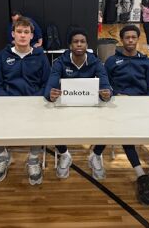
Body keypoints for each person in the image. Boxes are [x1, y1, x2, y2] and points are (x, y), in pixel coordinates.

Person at [99, 25, 149, 205]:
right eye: (127, 38)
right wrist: (114, 95)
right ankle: (141, 174)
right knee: (125, 132)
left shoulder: (146, 62)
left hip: (142, 106)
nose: (130, 40)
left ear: (137, 39)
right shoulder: (111, 61)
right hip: (120, 106)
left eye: (133, 37)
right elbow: (105, 86)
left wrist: (146, 103)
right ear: (122, 40)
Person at [44, 28, 112, 179]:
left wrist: (107, 94)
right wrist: (50, 95)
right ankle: (64, 154)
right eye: (76, 42)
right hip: (67, 104)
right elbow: (50, 86)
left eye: (82, 42)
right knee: (52, 124)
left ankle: (96, 154)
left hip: (90, 105)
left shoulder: (96, 62)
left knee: (108, 124)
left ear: (87, 45)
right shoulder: (60, 62)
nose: (79, 44)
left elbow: (106, 85)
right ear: (70, 46)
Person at [0, 17, 50, 185]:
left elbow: (47, 83)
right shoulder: (3, 56)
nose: (22, 35)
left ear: (32, 36)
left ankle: (33, 159)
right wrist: (8, 101)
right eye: (19, 32)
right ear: (13, 34)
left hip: (33, 104)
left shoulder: (41, 57)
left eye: (26, 32)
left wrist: (33, 101)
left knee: (41, 124)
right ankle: (2, 155)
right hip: (7, 103)